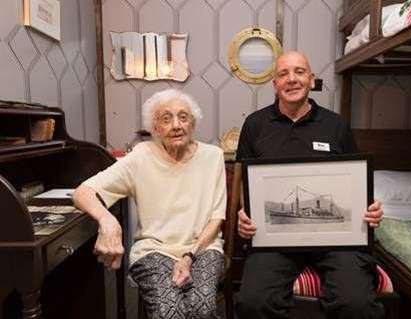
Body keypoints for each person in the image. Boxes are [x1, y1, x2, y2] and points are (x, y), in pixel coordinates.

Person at [235, 51, 385, 319]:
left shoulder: (336, 125)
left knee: (357, 302)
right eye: (283, 74)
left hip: (336, 241)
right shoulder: (255, 125)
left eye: (299, 72)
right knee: (252, 302)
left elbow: (354, 183)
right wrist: (244, 216)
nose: (292, 79)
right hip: (275, 240)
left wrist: (369, 209)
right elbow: (247, 186)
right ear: (275, 84)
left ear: (311, 79)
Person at [73, 89, 226, 319]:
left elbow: (217, 219)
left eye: (183, 117)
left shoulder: (213, 156)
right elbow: (82, 192)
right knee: (168, 312)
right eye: (166, 119)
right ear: (155, 128)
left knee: (201, 308)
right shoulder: (140, 156)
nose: (176, 125)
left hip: (203, 248)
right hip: (154, 250)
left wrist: (188, 257)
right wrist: (107, 220)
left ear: (192, 124)